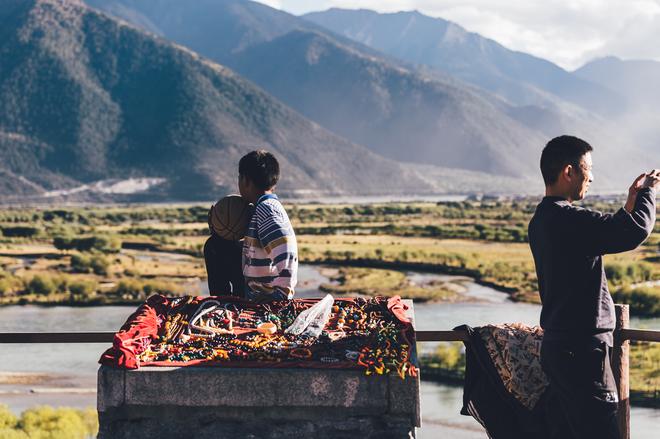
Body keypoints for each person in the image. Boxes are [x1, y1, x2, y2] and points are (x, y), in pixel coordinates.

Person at [527, 135, 658, 439]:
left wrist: (630, 205)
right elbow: (632, 231)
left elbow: (611, 229)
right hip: (584, 352)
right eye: (589, 169)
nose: (592, 177)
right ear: (569, 171)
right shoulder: (570, 219)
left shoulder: (543, 219)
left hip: (560, 348)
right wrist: (649, 194)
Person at [238, 150, 298, 303]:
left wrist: (281, 294)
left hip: (265, 297)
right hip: (255, 292)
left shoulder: (267, 209)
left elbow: (287, 251)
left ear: (246, 180)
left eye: (239, 178)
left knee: (213, 247)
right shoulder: (263, 206)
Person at [203, 195, 251, 297]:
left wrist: (215, 227)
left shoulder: (214, 245)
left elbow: (218, 291)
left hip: (250, 300)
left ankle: (227, 304)